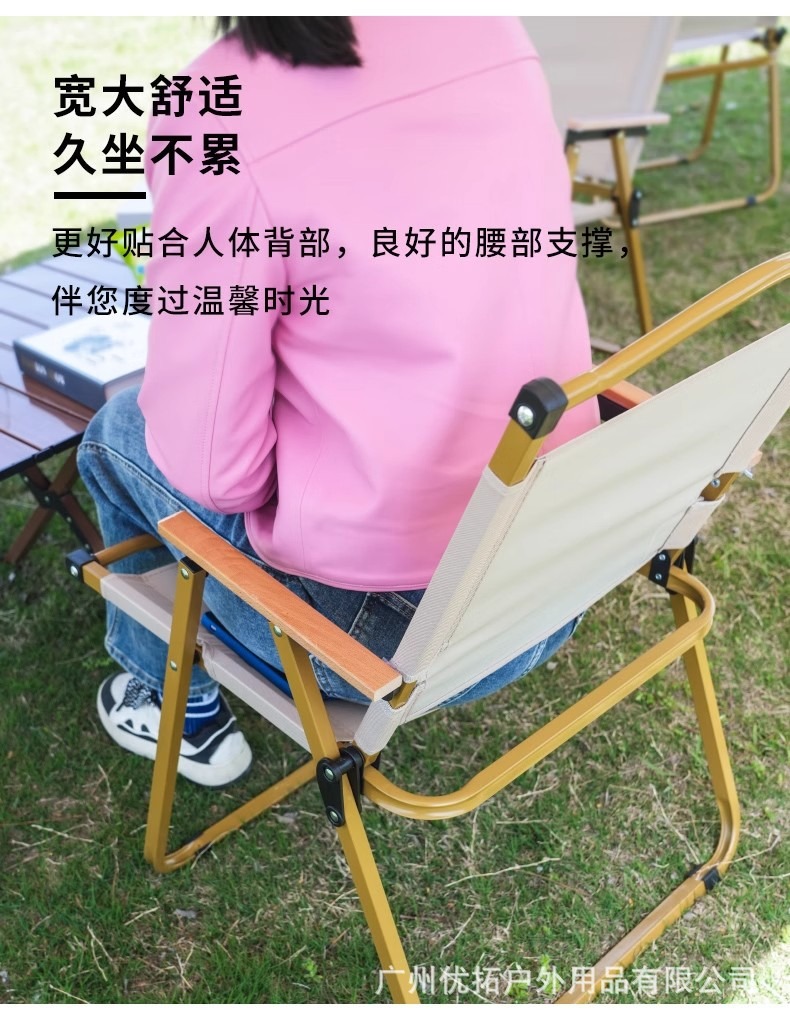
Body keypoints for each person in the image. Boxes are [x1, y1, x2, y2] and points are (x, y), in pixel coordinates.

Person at [78, 16, 600, 788]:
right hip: (563, 555)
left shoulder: (218, 108)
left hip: (393, 637)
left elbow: (216, 474)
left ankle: (169, 699)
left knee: (118, 430)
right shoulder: (492, 27)